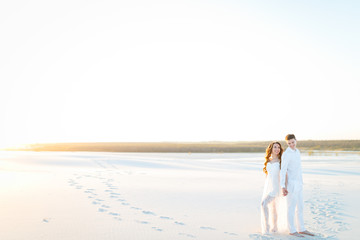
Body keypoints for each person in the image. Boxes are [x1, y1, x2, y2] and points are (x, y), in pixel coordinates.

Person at [280, 134, 315, 237]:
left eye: (292, 142)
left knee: (300, 207)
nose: (291, 144)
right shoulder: (286, 154)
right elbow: (283, 170)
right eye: (289, 143)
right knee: (291, 208)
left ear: (296, 140)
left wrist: (301, 182)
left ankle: (301, 228)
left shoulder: (297, 151)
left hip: (299, 183)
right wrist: (283, 186)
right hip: (291, 184)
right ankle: (292, 230)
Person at [261, 141, 283, 234]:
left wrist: (284, 187)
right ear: (271, 148)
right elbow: (268, 175)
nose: (277, 149)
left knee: (264, 204)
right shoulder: (268, 161)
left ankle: (267, 227)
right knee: (273, 207)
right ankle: (275, 227)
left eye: (278, 147)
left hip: (276, 187)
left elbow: (284, 175)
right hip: (268, 187)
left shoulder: (281, 161)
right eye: (275, 147)